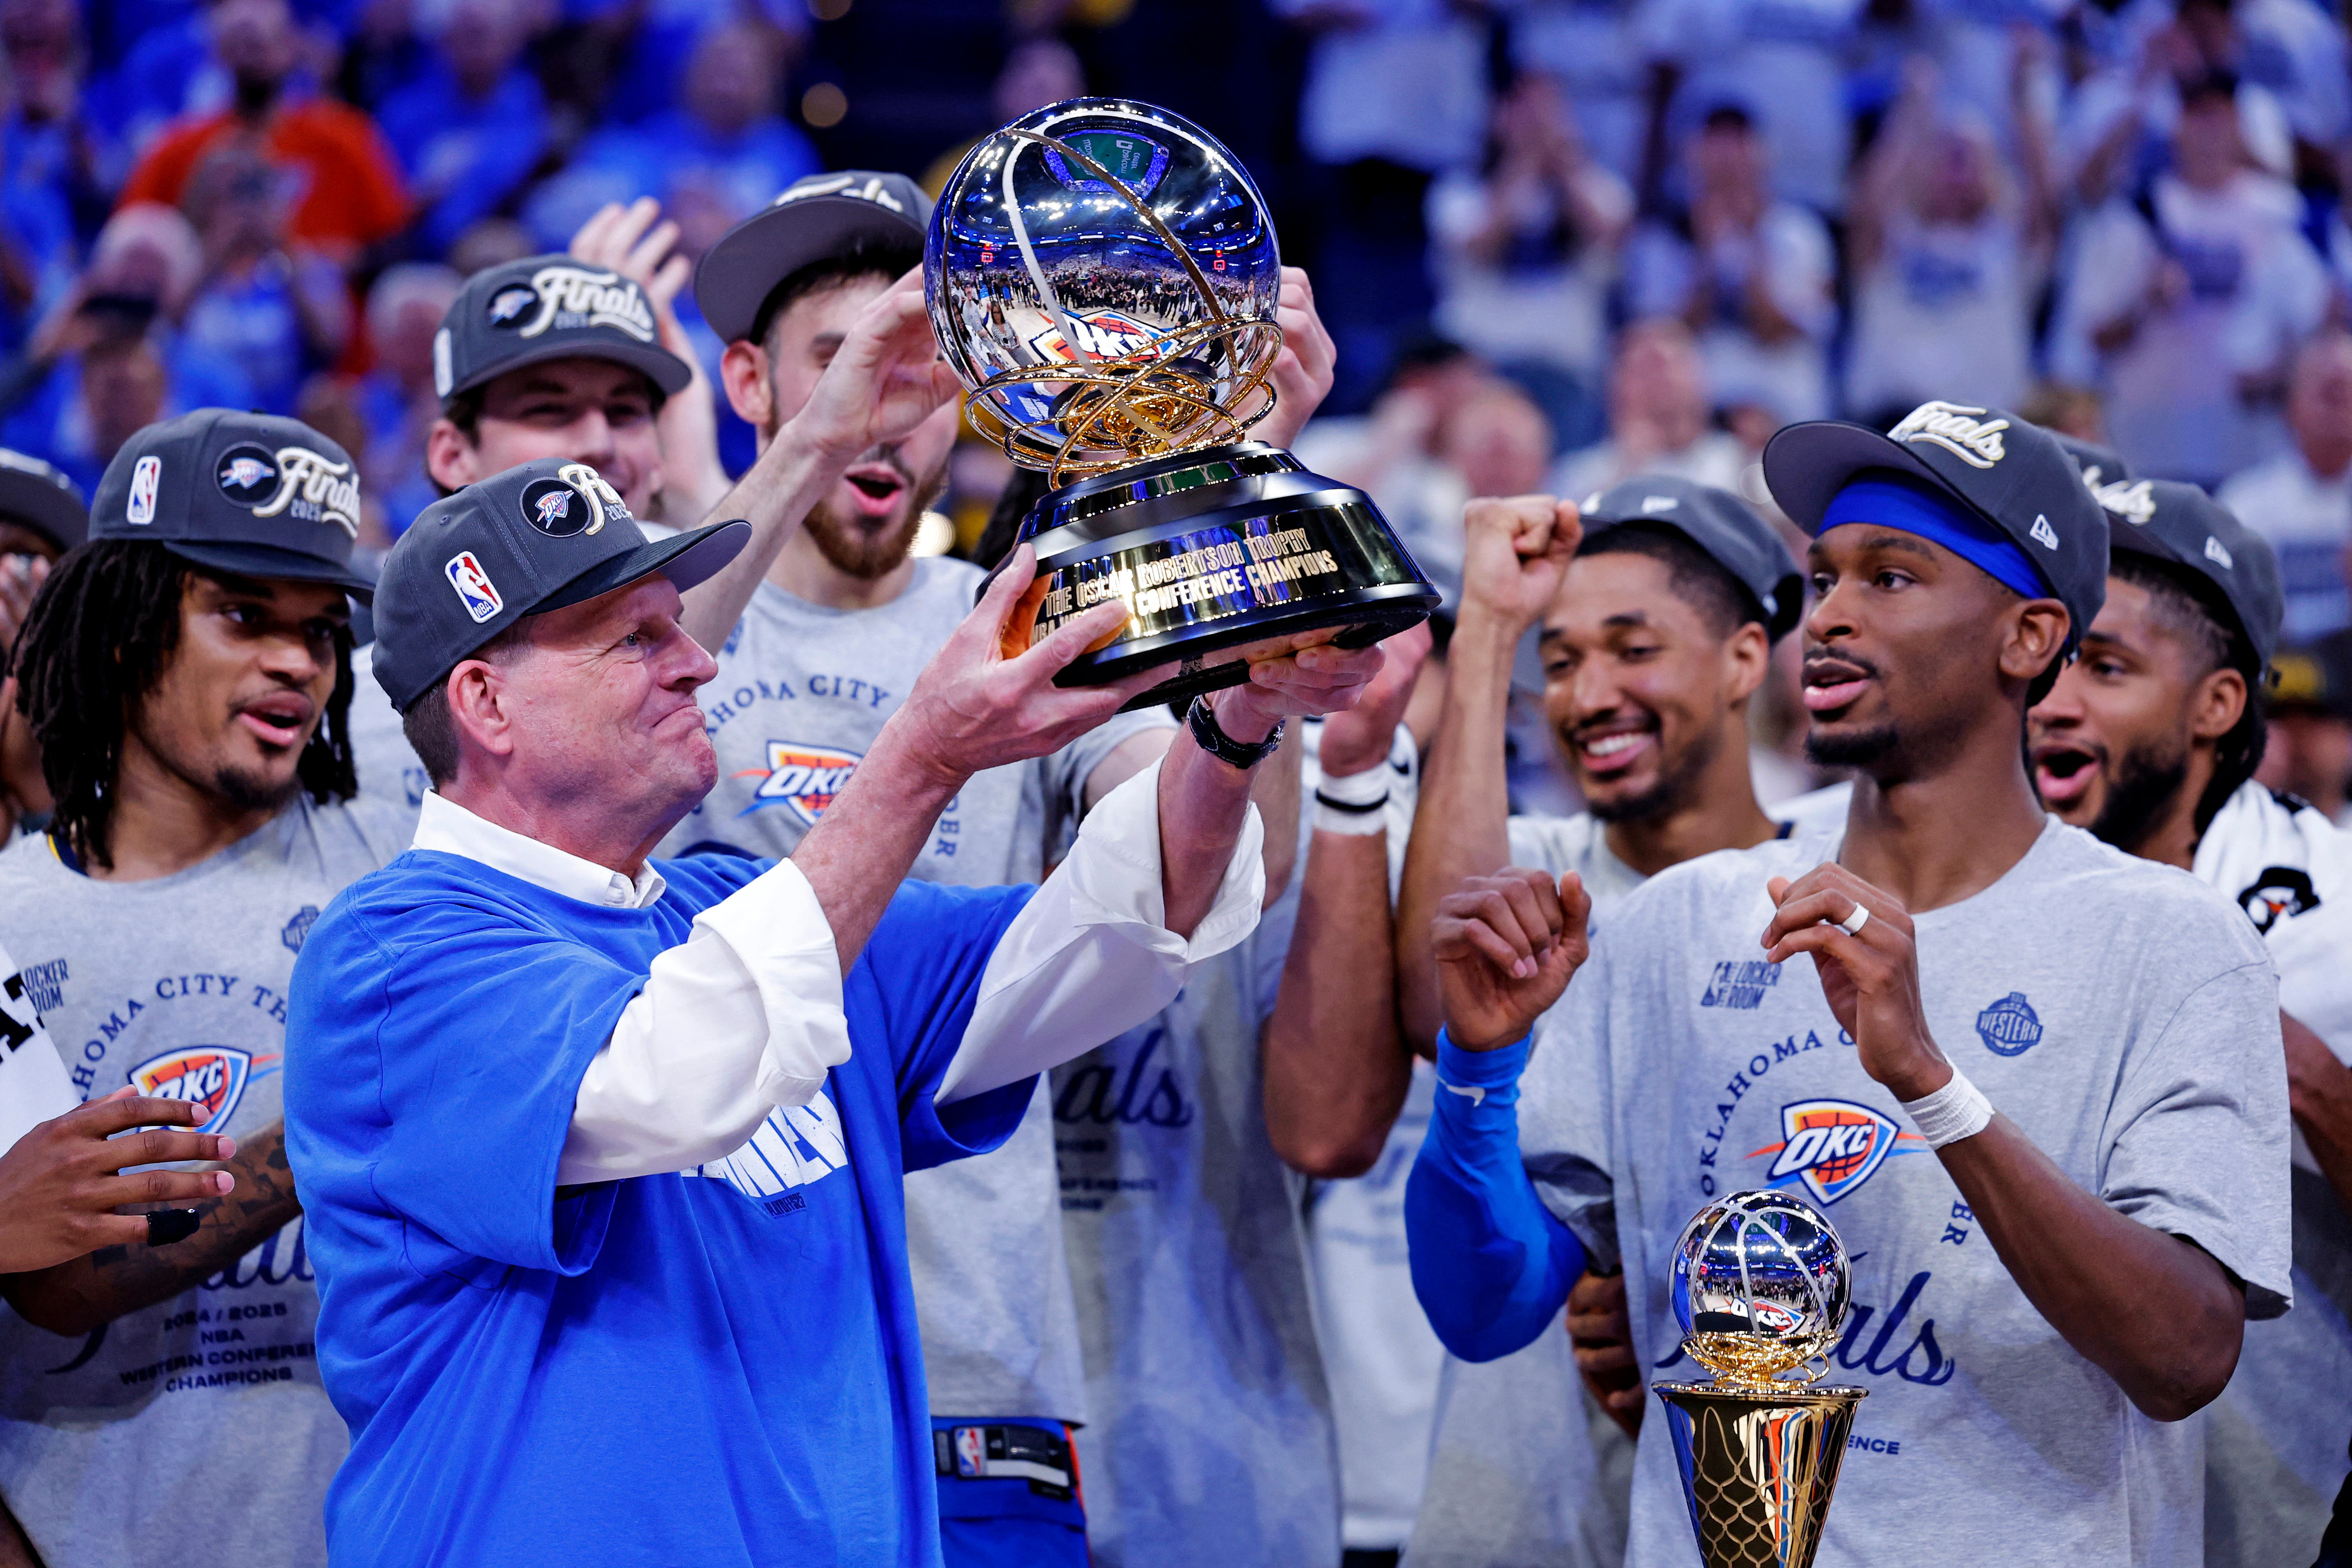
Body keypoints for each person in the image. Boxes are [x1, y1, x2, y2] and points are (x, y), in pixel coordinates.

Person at [282, 455, 1380, 1566]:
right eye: (636, 640)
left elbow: (1118, 925)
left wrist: (1235, 721)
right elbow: (670, 1079)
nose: (697, 663)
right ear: (484, 701)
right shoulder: (394, 950)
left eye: (681, 628)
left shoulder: (739, 909)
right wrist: (926, 752)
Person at [1407, 399, 2289, 1568]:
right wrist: (1474, 1071)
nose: (1827, 616)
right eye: (1821, 577)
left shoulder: (2168, 941)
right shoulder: (1681, 920)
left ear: (2025, 638)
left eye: (1889, 577)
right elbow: (1483, 1309)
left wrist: (1928, 1080)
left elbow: (2182, 1356)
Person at [679, 166, 1343, 1566]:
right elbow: (616, 701)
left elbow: (1197, 869)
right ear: (749, 380)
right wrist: (808, 446)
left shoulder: (1026, 611)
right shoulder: (666, 617)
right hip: (705, 1351)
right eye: (847, 362)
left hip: (972, 1374)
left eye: (931, 371)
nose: (891, 407)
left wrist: (1246, 502)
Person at [1288, 475, 1804, 1566]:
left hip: (1761, 1508)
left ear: (1743, 661)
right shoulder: (1540, 877)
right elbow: (1442, 1007)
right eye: (1560, 662)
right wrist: (1485, 629)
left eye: (1632, 648)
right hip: (1511, 1514)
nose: (1586, 694)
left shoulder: (1821, 893)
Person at [0, 410, 408, 1568]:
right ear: (127, 630)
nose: (296, 660)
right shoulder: (4, 925)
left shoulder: (397, 858)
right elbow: (62, 1289)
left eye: (322, 632)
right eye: (242, 615)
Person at [2026, 478, 2352, 1564]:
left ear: (2214, 705)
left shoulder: (2334, 922)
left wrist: (2299, 1075)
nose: (2050, 700)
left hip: (2266, 1521)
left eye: (2104, 665)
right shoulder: (1963, 881)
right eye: (2046, 651)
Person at [2057, 70, 2329, 485]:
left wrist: (2276, 375)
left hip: (2243, 455)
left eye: (2219, 118)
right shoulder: (2134, 213)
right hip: (2145, 446)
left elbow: (2318, 329)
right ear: (2177, 127)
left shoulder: (2278, 214)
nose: (2208, 133)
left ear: (2238, 127)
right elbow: (2092, 334)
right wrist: (2143, 302)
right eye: (2196, 117)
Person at [115, 0, 408, 265]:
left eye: (260, 44)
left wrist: (332, 259)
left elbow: (392, 242)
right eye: (238, 45)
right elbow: (128, 235)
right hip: (209, 307)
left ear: (291, 49)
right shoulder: (178, 146)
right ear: (219, 54)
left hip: (323, 305)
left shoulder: (344, 136)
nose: (251, 58)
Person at [1622, 103, 1836, 428]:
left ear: (1761, 155)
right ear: (1692, 157)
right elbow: (1665, 342)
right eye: (1715, 146)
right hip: (1698, 421)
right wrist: (1706, 258)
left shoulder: (1800, 233)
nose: (1727, 161)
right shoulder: (1662, 240)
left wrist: (1752, 243)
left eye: (1738, 146)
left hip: (1785, 412)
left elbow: (1774, 331)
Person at [2217, 329, 2352, 642]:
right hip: (2276, 674)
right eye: (2330, 393)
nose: (2340, 409)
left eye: (2349, 394)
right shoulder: (2244, 503)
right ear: (2290, 403)